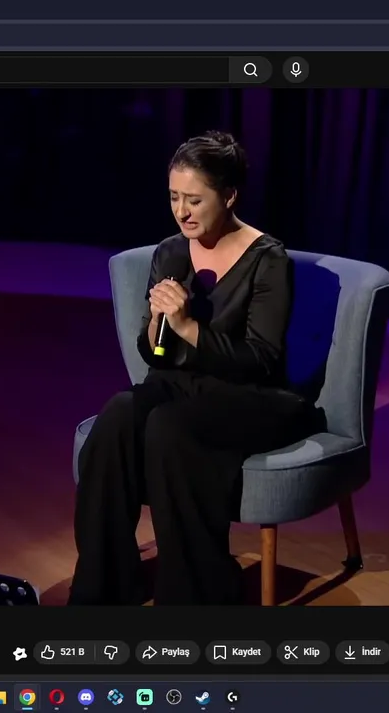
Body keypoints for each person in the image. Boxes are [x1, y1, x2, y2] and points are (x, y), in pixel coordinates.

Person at [69, 131, 322, 605]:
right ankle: (103, 589)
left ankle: (197, 596)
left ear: (229, 196)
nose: (181, 211)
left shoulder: (268, 259)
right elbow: (155, 354)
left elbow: (261, 358)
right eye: (173, 197)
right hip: (182, 382)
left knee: (170, 427)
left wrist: (188, 327)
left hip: (252, 395)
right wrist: (157, 325)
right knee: (118, 415)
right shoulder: (170, 251)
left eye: (194, 200)